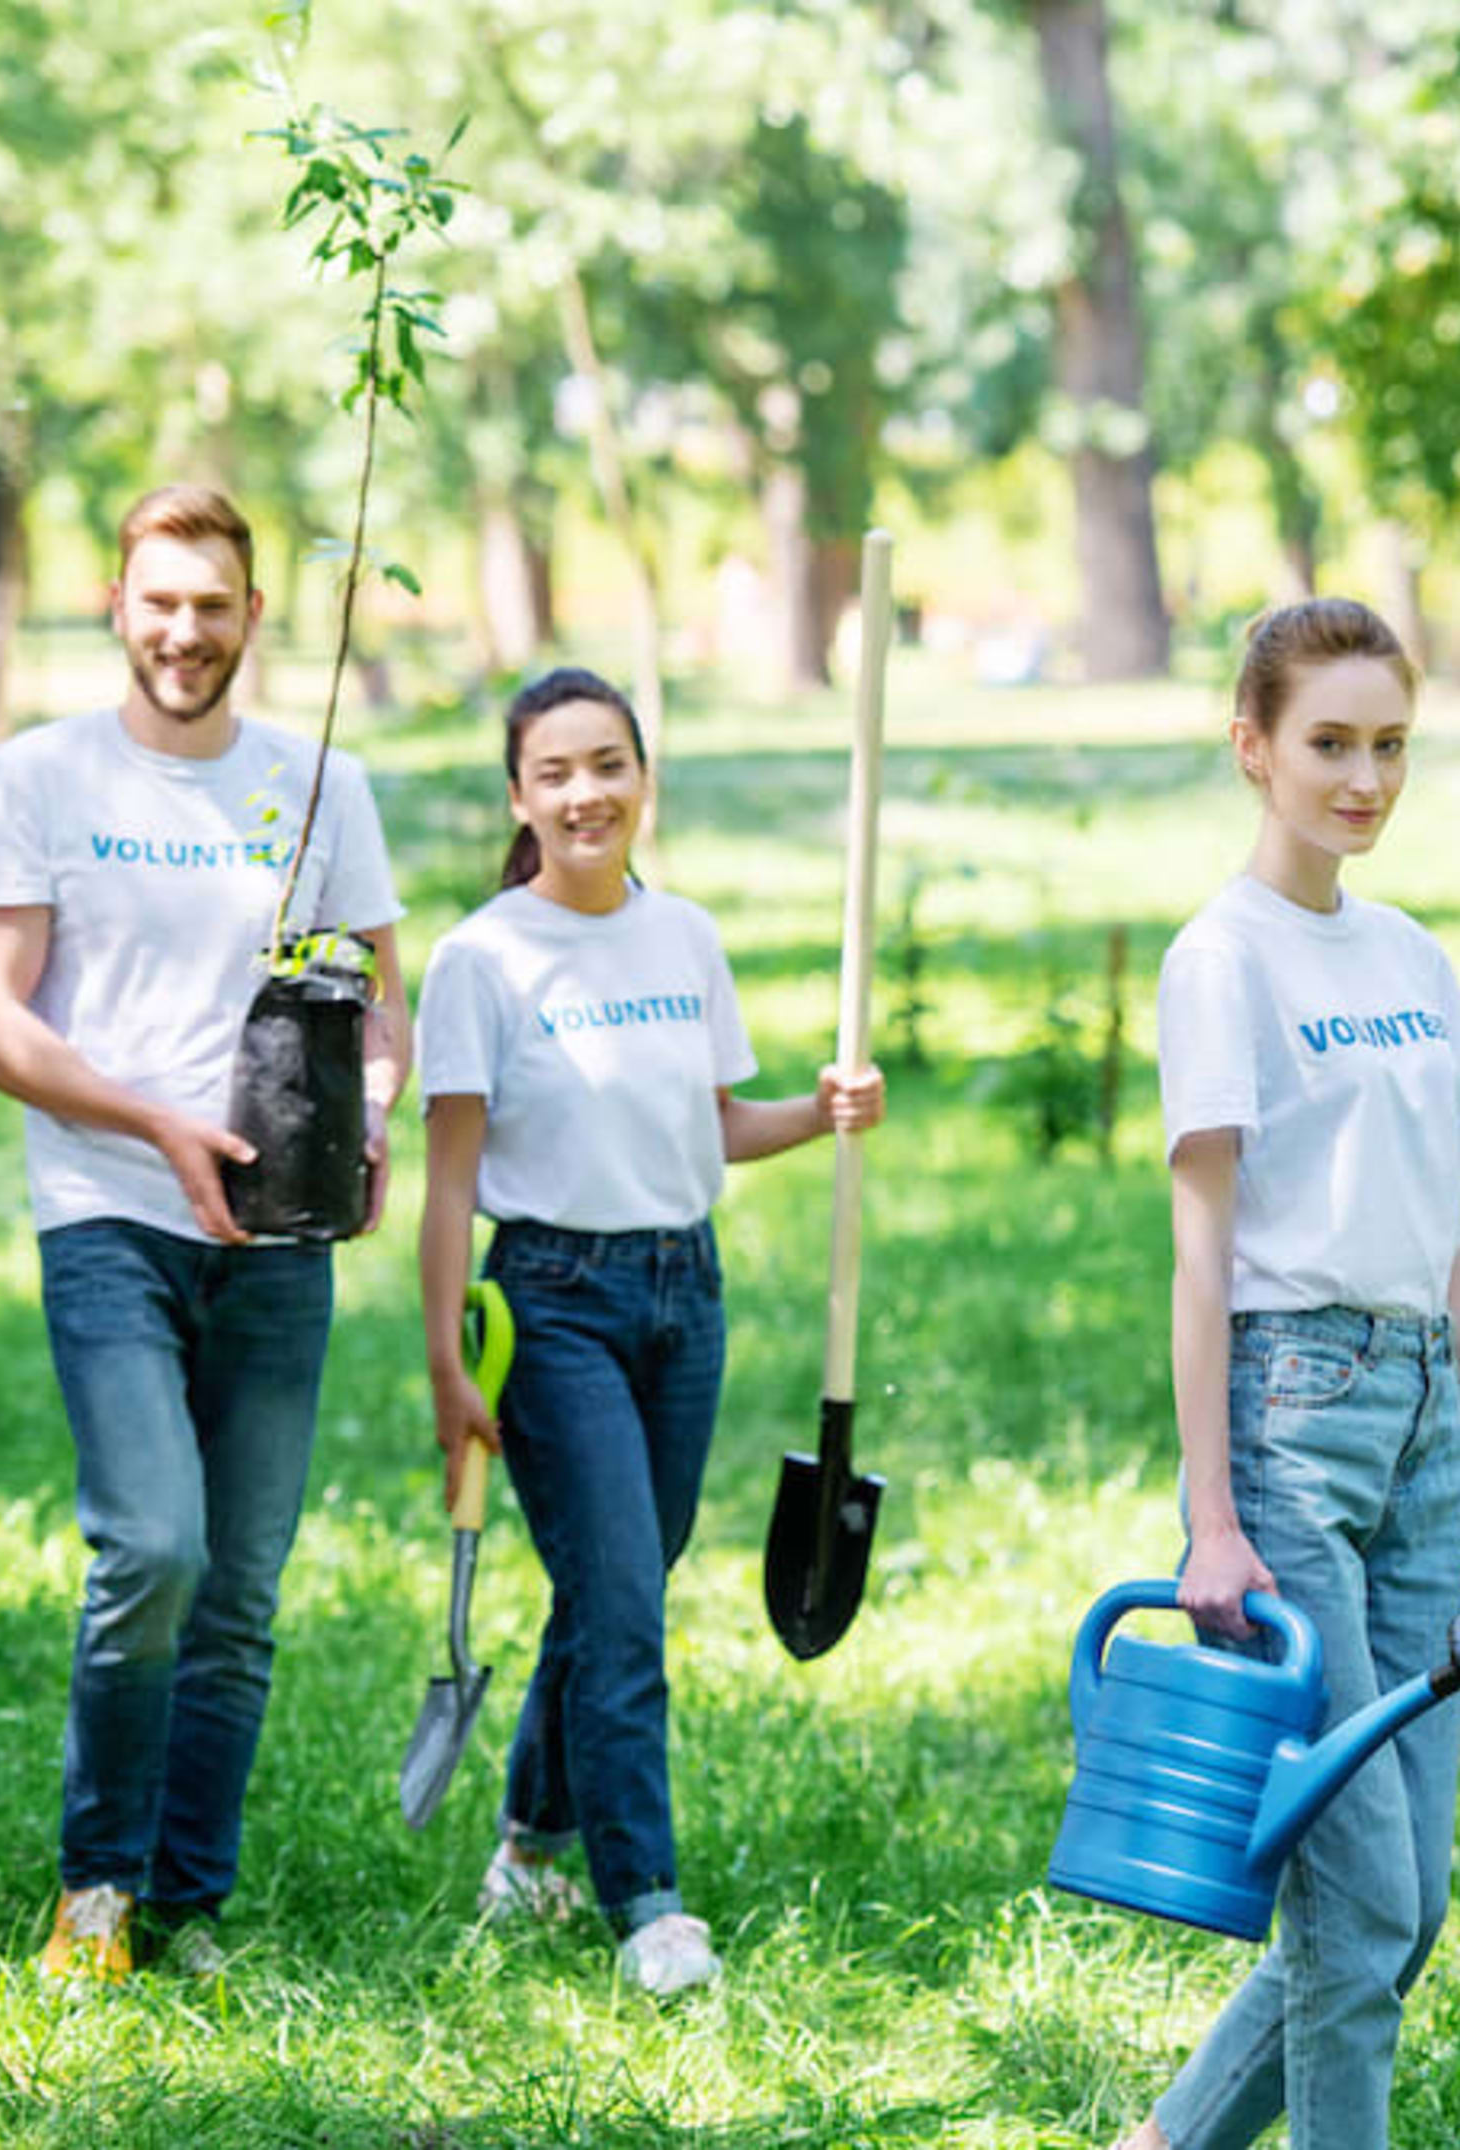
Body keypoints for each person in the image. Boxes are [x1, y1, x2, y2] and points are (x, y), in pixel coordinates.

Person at [0, 483, 409, 1979]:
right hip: (112, 1213)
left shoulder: (319, 783)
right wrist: (155, 1122)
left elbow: (376, 1003)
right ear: (116, 603)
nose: (185, 631)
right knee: (153, 1542)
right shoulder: (38, 777)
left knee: (242, 1587)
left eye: (213, 604)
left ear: (256, 616)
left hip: (279, 1237)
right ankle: (99, 1882)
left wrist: (377, 1113)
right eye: (160, 600)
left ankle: (189, 1904)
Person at [1113, 598, 1460, 2150]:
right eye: (1329, 743)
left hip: (1425, 1425)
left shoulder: (1413, 954)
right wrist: (1212, 1518)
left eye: (1387, 745)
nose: (1363, 778)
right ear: (1253, 748)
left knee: (1403, 1905)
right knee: (1363, 1907)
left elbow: (1452, 1243)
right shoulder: (1219, 960)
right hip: (1290, 1423)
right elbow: (1203, 1255)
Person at [412, 666, 883, 1998]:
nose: (584, 793)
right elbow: (450, 1178)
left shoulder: (683, 936)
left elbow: (717, 1125)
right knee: (623, 1597)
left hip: (687, 1289)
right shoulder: (482, 957)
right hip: (551, 1299)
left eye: (607, 764)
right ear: (519, 794)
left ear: (643, 779)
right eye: (554, 771)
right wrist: (447, 1359)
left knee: (624, 1576)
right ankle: (646, 1900)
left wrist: (824, 1109)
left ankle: (531, 1838)